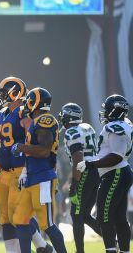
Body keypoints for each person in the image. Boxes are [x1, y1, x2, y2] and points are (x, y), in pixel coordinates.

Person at [0, 77, 51, 253]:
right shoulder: (3, 113)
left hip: (19, 171)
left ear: (16, 92)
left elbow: (31, 141)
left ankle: (41, 247)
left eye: (5, 92)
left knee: (18, 216)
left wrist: (28, 169)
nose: (2, 96)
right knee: (4, 218)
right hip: (3, 173)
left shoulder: (24, 113)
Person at [11, 87, 67, 253]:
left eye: (28, 100)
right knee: (20, 219)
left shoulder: (45, 119)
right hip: (32, 178)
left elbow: (44, 150)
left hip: (43, 178)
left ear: (35, 102)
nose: (26, 104)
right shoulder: (36, 121)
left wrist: (22, 147)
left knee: (47, 224)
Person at [77, 94, 133, 253]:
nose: (104, 112)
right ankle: (124, 251)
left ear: (115, 111)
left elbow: (116, 156)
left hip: (115, 172)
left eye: (107, 109)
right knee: (120, 218)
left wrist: (91, 164)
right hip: (120, 172)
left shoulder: (115, 127)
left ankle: (111, 250)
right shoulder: (125, 124)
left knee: (104, 216)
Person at [58, 103, 101, 253]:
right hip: (96, 171)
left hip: (85, 172)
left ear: (68, 117)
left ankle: (80, 251)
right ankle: (111, 239)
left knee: (75, 214)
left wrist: (74, 184)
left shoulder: (72, 132)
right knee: (85, 215)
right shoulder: (88, 127)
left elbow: (78, 160)